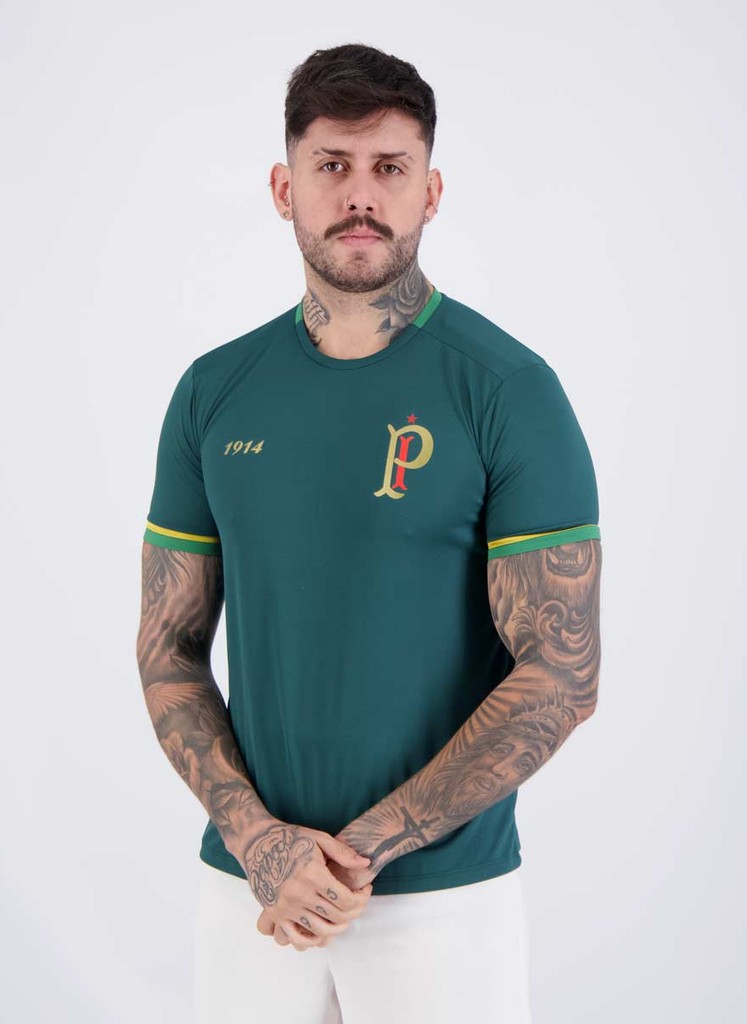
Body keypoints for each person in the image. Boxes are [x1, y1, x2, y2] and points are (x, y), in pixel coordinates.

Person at [136, 41, 602, 1024]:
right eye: (331, 165)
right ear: (284, 188)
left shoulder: (507, 391)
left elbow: (563, 670)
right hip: (251, 897)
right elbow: (168, 645)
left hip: (441, 904)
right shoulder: (213, 392)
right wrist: (261, 843)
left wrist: (361, 851)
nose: (360, 194)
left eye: (390, 167)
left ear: (431, 191)